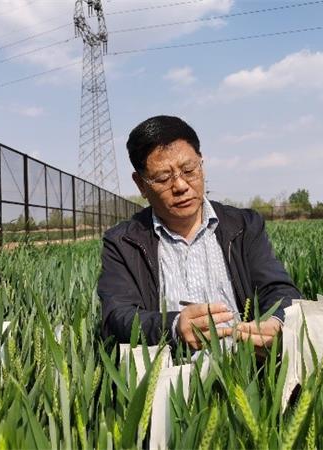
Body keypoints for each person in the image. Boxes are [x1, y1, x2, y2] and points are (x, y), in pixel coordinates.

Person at [98, 115, 302, 352]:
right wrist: (173, 327)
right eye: (163, 178)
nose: (181, 186)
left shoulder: (244, 226)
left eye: (189, 170)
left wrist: (276, 321)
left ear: (201, 163)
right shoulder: (123, 242)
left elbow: (280, 290)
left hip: (249, 363)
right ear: (141, 185)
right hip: (170, 370)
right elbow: (117, 315)